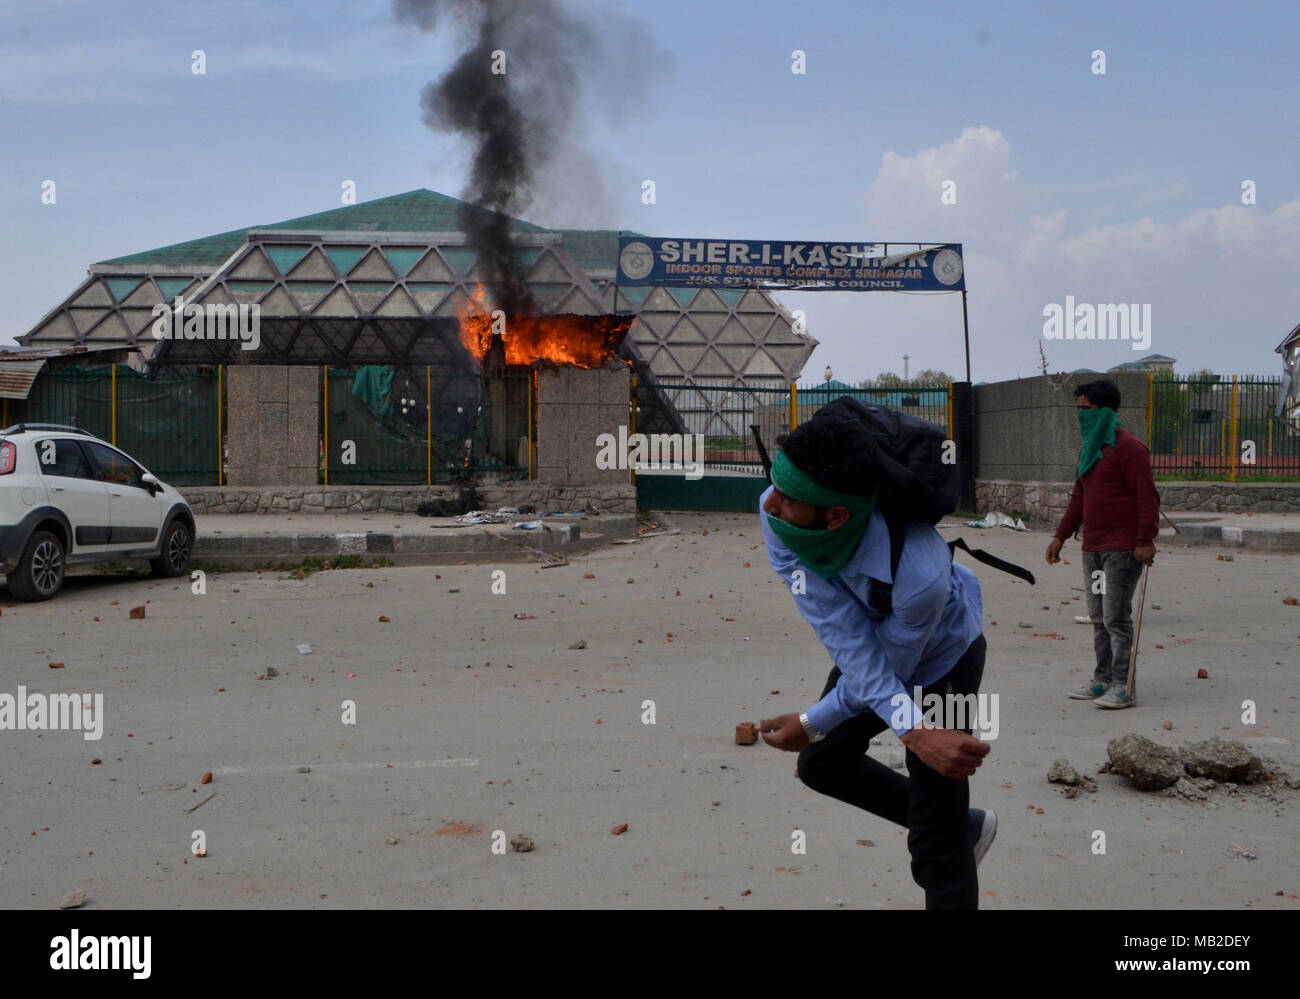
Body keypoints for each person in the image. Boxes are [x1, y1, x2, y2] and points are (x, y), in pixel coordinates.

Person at [755, 410, 996, 910]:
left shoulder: (921, 576)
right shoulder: (778, 515)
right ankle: (955, 828)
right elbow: (846, 640)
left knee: (937, 834)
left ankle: (946, 835)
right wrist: (816, 724)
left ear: (836, 516)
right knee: (822, 762)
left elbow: (892, 669)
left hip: (945, 661)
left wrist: (915, 732)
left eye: (788, 499)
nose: (770, 505)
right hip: (873, 646)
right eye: (774, 486)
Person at [1046, 379, 1159, 709]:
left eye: (1087, 409)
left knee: (1116, 618)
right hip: (1092, 549)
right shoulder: (1090, 449)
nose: (1080, 415)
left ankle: (1124, 686)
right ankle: (1102, 679)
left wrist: (1145, 540)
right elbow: (1079, 498)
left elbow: (1147, 496)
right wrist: (1060, 536)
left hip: (1123, 550)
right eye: (1077, 409)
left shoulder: (1129, 448)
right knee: (1098, 618)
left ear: (1106, 411)